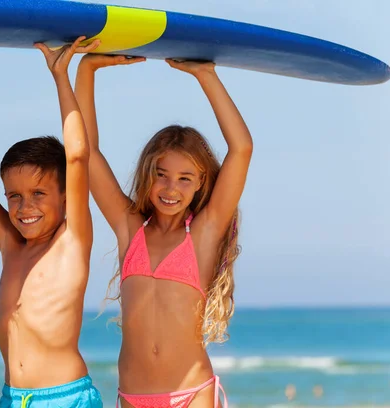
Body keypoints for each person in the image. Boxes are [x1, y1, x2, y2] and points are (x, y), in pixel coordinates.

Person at [75, 54, 253, 408]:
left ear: (201, 183)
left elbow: (241, 148)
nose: (171, 188)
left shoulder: (203, 234)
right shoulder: (130, 229)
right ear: (148, 173)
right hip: (133, 397)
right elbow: (88, 152)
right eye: (162, 174)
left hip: (192, 393)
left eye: (185, 178)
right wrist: (87, 69)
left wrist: (205, 75)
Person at [0, 36, 103, 407]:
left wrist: (61, 75)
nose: (25, 207)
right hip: (11, 398)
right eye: (14, 195)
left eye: (38, 193)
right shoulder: (11, 246)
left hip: (65, 398)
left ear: (64, 196)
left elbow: (77, 157)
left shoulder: (71, 241)